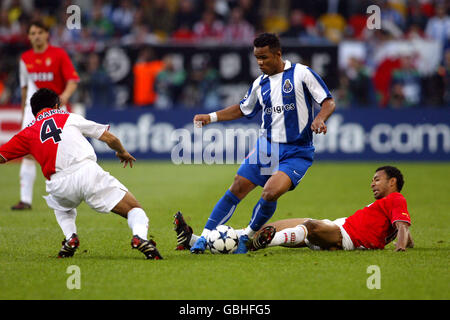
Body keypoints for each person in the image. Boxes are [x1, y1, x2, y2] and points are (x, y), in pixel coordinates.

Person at [190, 33, 336, 254]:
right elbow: (242, 108)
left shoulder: (301, 73)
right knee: (237, 186)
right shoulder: (260, 84)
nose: (260, 63)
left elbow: (328, 101)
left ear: (278, 54)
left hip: (297, 151)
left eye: (264, 57)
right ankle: (205, 236)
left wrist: (319, 118)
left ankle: (246, 238)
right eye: (257, 58)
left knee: (270, 192)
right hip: (266, 147)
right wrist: (210, 117)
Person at [0, 88, 163, 260]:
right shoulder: (68, 116)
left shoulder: (27, 132)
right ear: (56, 105)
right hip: (86, 173)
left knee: (60, 206)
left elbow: (2, 157)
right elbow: (110, 138)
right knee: (134, 209)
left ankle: (71, 237)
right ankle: (140, 238)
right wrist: (122, 152)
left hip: (58, 184)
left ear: (34, 112)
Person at [174, 166, 413, 252]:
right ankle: (195, 240)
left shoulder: (396, 199)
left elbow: (402, 226)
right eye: (372, 179)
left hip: (346, 237)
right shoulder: (386, 206)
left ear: (392, 182)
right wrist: (406, 241)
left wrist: (401, 247)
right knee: (268, 227)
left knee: (308, 227)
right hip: (337, 225)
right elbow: (403, 231)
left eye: (377, 179)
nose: (372, 183)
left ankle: (266, 243)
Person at [13, 20, 80, 210]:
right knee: (26, 152)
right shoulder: (25, 58)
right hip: (32, 108)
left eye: (40, 32)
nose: (36, 36)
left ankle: (69, 196)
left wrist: (64, 97)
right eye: (33, 33)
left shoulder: (58, 54)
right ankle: (25, 200)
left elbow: (73, 79)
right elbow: (25, 88)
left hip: (56, 107)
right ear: (28, 36)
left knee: (64, 151)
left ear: (47, 34)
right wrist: (24, 113)